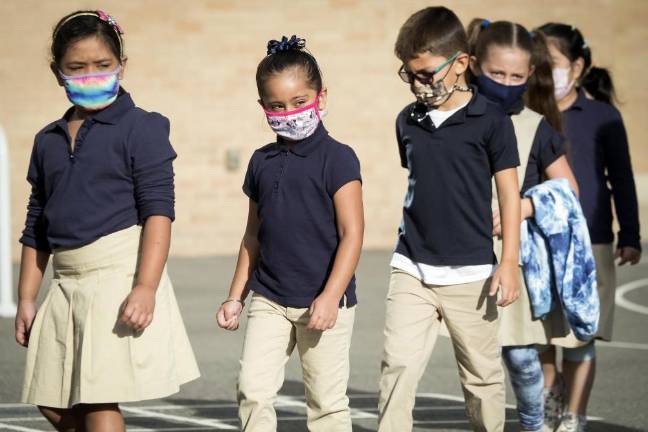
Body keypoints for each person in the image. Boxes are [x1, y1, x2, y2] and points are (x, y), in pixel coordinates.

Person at [14, 10, 199, 432]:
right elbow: (36, 221)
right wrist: (27, 296)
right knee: (49, 396)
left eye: (102, 66)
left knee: (98, 400)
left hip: (117, 274)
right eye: (77, 68)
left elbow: (158, 212)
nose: (91, 75)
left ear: (121, 65)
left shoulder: (143, 127)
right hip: (65, 283)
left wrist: (145, 287)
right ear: (57, 72)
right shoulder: (47, 140)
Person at [377, 7, 522, 432]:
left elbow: (509, 195)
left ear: (460, 63)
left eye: (425, 73)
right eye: (409, 74)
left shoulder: (491, 120)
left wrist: (509, 261)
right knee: (397, 368)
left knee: (481, 379)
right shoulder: (407, 120)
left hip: (473, 274)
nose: (419, 83)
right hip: (411, 269)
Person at [215, 35, 364, 432]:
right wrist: (235, 297)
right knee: (253, 390)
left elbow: (353, 234)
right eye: (277, 106)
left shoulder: (339, 158)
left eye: (299, 102)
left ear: (321, 96)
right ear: (263, 107)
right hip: (270, 299)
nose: (289, 113)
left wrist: (331, 297)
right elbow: (252, 237)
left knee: (326, 405)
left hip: (323, 302)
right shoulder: (260, 161)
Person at [467, 18, 580, 432]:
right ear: (475, 65)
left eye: (517, 76)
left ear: (530, 75)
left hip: (513, 257)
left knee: (518, 354)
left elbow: (569, 190)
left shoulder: (536, 126)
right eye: (497, 73)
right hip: (460, 255)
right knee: (477, 361)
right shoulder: (456, 118)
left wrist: (525, 206)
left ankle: (535, 425)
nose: (506, 82)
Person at [534, 22, 642, 432]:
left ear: (578, 66)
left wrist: (629, 236)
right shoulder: (526, 113)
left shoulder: (602, 116)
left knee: (580, 339)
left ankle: (574, 416)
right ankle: (550, 395)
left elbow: (622, 179)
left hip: (591, 242)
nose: (546, 71)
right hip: (537, 242)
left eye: (554, 63)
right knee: (539, 335)